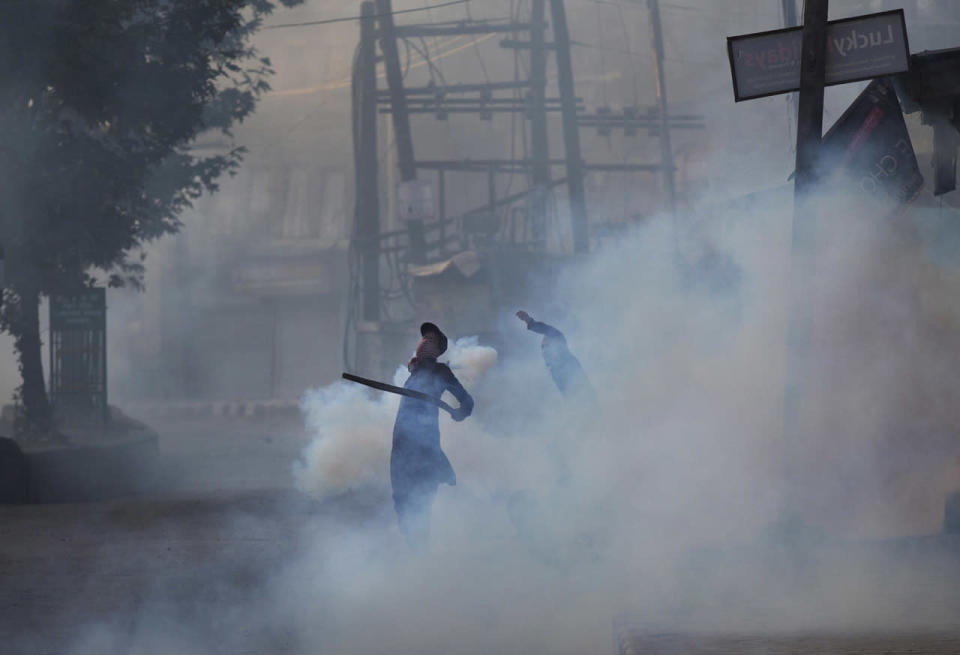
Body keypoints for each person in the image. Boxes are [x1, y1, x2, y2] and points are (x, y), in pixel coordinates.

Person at [390, 322, 473, 543]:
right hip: (400, 446)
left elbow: (468, 402)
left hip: (423, 445)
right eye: (424, 337)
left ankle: (421, 553)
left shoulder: (441, 371)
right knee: (401, 502)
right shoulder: (414, 371)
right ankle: (414, 554)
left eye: (431, 339)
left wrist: (460, 412)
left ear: (438, 350)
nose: (425, 341)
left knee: (420, 503)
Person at [516, 310, 594, 399]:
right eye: (544, 349)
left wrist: (528, 320)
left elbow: (543, 328)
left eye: (546, 346)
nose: (545, 351)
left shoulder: (557, 338)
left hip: (579, 385)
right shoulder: (554, 369)